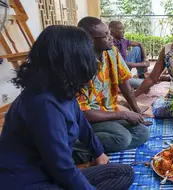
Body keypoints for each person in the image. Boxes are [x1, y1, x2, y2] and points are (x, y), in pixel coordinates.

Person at [0, 25, 134, 190]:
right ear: (71, 61)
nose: (92, 60)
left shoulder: (61, 89)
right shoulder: (42, 104)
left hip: (51, 174)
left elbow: (81, 122)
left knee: (123, 173)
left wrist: (98, 152)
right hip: (31, 182)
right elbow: (62, 168)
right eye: (87, 54)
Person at [75, 17, 150, 164]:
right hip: (88, 118)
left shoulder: (112, 52)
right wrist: (123, 114)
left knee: (142, 132)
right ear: (90, 40)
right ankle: (75, 147)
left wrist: (136, 112)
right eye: (106, 35)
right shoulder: (79, 64)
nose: (111, 38)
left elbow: (124, 84)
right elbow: (83, 113)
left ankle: (94, 146)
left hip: (109, 111)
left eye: (109, 33)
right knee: (123, 137)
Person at [109, 20, 150, 88]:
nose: (123, 31)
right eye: (121, 29)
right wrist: (143, 64)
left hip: (124, 68)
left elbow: (140, 44)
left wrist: (145, 59)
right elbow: (120, 63)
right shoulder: (110, 44)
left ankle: (141, 75)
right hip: (118, 73)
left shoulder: (122, 40)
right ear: (113, 30)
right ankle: (123, 85)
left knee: (137, 49)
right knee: (146, 84)